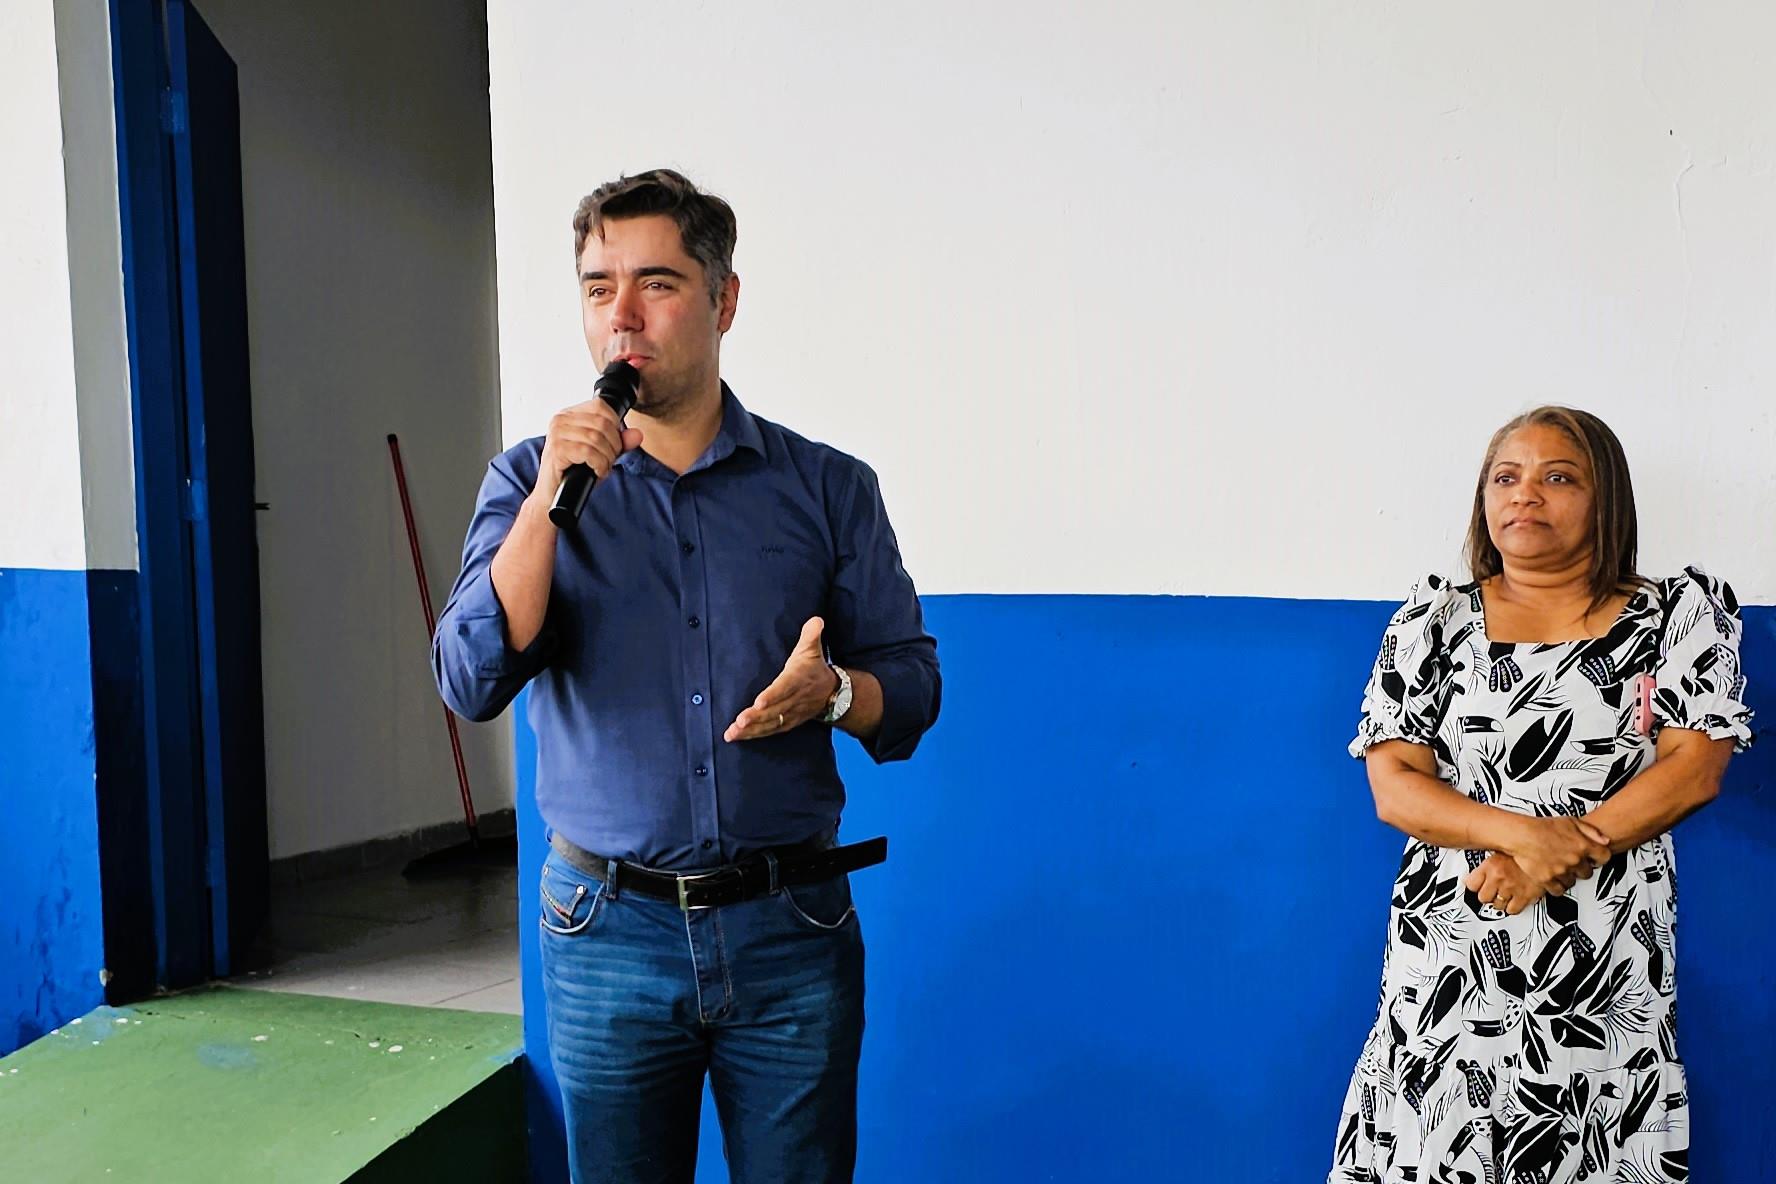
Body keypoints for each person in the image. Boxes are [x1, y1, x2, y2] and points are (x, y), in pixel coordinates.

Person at [432, 168, 941, 1184]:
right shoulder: (527, 480)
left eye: (655, 283)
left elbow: (913, 690)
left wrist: (836, 693)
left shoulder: (828, 487)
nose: (621, 315)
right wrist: (546, 502)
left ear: (724, 299)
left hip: (790, 928)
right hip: (605, 929)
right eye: (598, 287)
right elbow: (470, 676)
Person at [1329, 406, 1753, 1183]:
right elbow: (1395, 787)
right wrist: (1525, 838)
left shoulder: (1676, 617)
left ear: (1605, 499)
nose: (1525, 494)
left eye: (1558, 477)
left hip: (1606, 942)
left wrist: (1549, 857)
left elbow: (1695, 767)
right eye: (1506, 477)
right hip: (1455, 938)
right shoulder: (1432, 622)